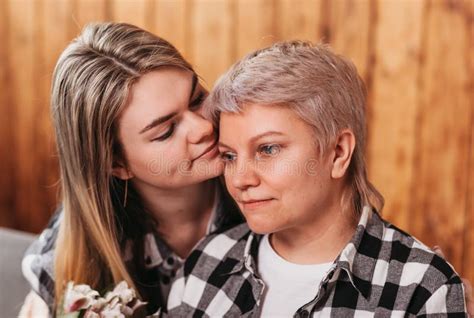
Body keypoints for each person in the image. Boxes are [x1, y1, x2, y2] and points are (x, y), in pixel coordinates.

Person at [167, 41, 468, 317]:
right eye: (230, 156)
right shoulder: (205, 264)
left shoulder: (422, 287)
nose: (240, 179)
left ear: (338, 153)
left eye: (268, 149)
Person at [21, 22, 243, 316]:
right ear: (117, 164)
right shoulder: (68, 261)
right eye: (166, 131)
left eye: (198, 98)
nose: (203, 127)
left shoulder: (265, 193)